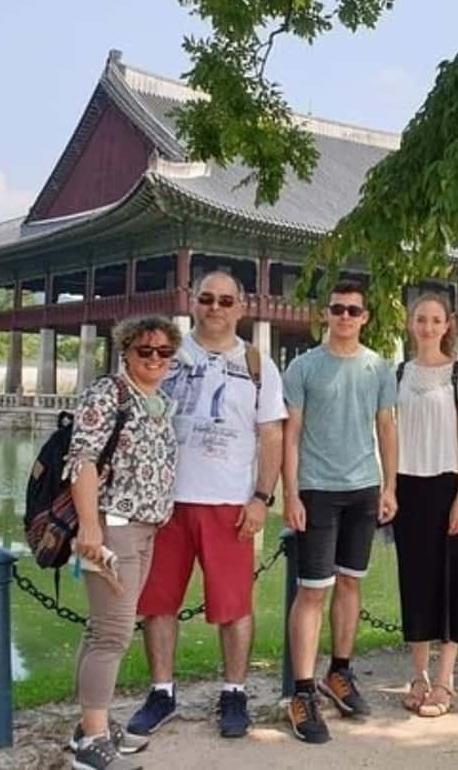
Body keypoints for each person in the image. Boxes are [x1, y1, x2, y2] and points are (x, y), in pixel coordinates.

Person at [127, 270, 287, 739]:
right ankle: (162, 692)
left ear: (242, 307)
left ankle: (234, 692)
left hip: (229, 502)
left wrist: (262, 497)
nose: (216, 307)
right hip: (164, 502)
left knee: (234, 604)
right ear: (193, 302)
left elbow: (272, 435)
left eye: (226, 300)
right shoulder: (166, 354)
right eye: (207, 298)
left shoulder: (258, 364)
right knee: (158, 602)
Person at [282, 279, 398, 744]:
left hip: (363, 488)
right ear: (325, 314)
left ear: (365, 317)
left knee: (351, 582)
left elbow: (386, 428)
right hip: (317, 489)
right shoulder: (303, 367)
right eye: (338, 309)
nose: (345, 316)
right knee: (312, 590)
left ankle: (340, 671)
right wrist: (290, 494)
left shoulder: (379, 368)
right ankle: (302, 691)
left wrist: (390, 486)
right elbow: (290, 435)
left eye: (353, 310)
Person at [67, 315, 181, 770]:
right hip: (111, 527)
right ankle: (93, 744)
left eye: (164, 352)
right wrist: (89, 527)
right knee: (112, 634)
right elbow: (83, 460)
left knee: (102, 629)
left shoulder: (160, 402)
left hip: (145, 527)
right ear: (125, 351)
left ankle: (90, 725)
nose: (154, 358)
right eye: (144, 350)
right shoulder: (108, 394)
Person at [393, 291, 458, 717]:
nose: (428, 327)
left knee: (451, 581)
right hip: (407, 485)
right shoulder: (398, 374)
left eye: (435, 320)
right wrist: (387, 489)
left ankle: (445, 679)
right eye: (421, 319)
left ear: (447, 325)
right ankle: (419, 675)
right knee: (415, 581)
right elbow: (388, 433)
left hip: (447, 485)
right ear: (410, 324)